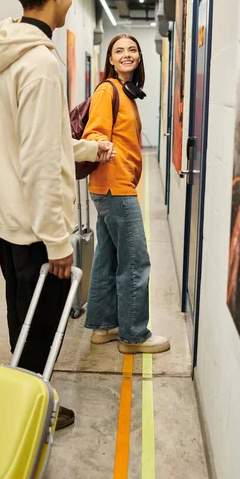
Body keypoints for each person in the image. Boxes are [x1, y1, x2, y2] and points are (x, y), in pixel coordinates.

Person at [0, 0, 114, 429]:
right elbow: (37, 161)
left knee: (23, 316)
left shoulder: (3, 53)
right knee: (43, 329)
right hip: (36, 227)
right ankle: (31, 417)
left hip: (9, 217)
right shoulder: (38, 64)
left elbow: (34, 142)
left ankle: (23, 400)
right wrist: (59, 242)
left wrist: (84, 149)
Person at [82, 35, 170, 354]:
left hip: (110, 187)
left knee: (108, 256)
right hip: (114, 186)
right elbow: (95, 130)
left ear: (139, 57)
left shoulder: (126, 93)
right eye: (119, 51)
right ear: (111, 59)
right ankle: (133, 335)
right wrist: (102, 145)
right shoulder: (108, 90)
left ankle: (103, 326)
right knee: (135, 259)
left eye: (132, 49)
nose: (127, 54)